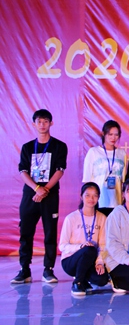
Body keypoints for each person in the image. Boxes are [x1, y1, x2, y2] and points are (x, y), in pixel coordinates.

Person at [12, 109, 68, 284]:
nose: (42, 125)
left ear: (51, 123)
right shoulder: (27, 147)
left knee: (50, 232)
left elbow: (60, 170)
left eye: (45, 121)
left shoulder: (59, 146)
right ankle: (24, 270)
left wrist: (45, 190)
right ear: (34, 124)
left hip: (50, 195)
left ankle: (48, 270)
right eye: (39, 122)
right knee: (25, 232)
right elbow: (23, 171)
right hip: (31, 194)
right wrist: (36, 188)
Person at [59, 182, 109, 296]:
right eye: (87, 195)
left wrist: (100, 262)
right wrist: (80, 247)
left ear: (98, 197)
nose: (91, 199)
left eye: (95, 195)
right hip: (70, 260)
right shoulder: (71, 218)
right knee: (88, 249)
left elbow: (103, 244)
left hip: (91, 260)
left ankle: (83, 280)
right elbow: (62, 246)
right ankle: (77, 283)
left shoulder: (102, 218)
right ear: (81, 196)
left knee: (102, 280)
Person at [82, 120, 127, 216]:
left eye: (116, 135)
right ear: (103, 133)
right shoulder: (93, 152)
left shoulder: (122, 153)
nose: (113, 138)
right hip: (98, 201)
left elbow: (123, 180)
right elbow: (87, 180)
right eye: (110, 134)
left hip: (116, 202)